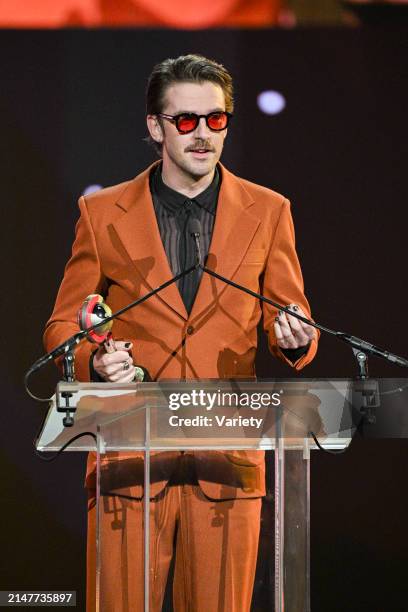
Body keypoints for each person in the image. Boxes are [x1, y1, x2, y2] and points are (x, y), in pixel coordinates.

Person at [44, 54, 318, 612]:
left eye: (216, 120)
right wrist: (93, 363)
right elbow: (61, 327)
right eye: (186, 121)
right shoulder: (101, 213)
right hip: (128, 464)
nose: (202, 135)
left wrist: (293, 336)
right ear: (155, 127)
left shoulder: (269, 211)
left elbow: (290, 316)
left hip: (228, 465)